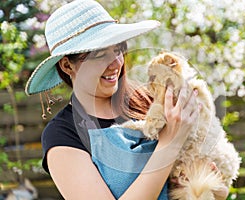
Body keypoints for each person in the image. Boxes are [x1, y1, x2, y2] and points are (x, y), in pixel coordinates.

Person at [25, 0, 229, 199]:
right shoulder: (63, 135)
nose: (115, 64)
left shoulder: (149, 100)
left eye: (117, 50)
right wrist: (171, 142)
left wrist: (203, 183)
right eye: (99, 55)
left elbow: (218, 189)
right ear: (67, 66)